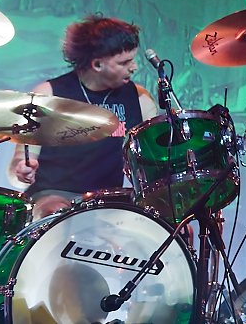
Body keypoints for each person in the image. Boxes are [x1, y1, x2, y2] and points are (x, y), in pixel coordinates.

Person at [8, 16, 158, 218]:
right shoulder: (49, 95)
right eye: (125, 62)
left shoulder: (140, 99)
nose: (134, 67)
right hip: (52, 196)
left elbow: (152, 166)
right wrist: (21, 173)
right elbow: (18, 165)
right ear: (97, 64)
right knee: (56, 212)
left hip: (107, 199)